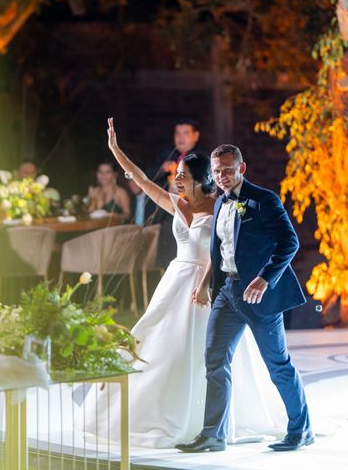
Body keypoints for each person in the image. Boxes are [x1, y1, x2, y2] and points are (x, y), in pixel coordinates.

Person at [83, 118, 286, 448]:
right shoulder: (176, 204)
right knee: (157, 342)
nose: (176, 180)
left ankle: (210, 425)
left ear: (201, 180)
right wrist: (116, 150)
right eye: (176, 175)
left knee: (207, 352)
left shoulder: (222, 204)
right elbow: (144, 181)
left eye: (183, 176)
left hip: (207, 283)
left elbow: (225, 246)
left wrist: (206, 282)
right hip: (176, 279)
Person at [176, 144, 313, 453]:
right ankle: (213, 435)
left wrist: (266, 278)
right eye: (216, 171)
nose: (222, 176)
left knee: (277, 364)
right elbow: (221, 250)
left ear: (242, 168)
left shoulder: (264, 199)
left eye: (227, 170)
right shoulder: (220, 202)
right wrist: (206, 285)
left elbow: (289, 242)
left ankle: (300, 429)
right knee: (214, 360)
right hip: (227, 293)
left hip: (259, 296)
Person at [147, 118, 204, 268]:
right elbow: (148, 178)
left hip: (192, 215)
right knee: (167, 260)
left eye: (185, 133)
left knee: (189, 259)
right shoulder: (167, 154)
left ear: (195, 136)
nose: (180, 137)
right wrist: (162, 169)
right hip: (167, 214)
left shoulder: (201, 157)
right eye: (177, 133)